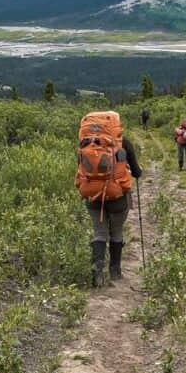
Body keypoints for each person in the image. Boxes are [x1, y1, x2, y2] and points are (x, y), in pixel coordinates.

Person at [76, 111, 143, 287]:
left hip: (92, 195)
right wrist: (134, 171)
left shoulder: (85, 144)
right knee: (117, 232)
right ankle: (115, 272)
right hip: (118, 197)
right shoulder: (123, 144)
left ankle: (97, 271)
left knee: (99, 233)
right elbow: (136, 172)